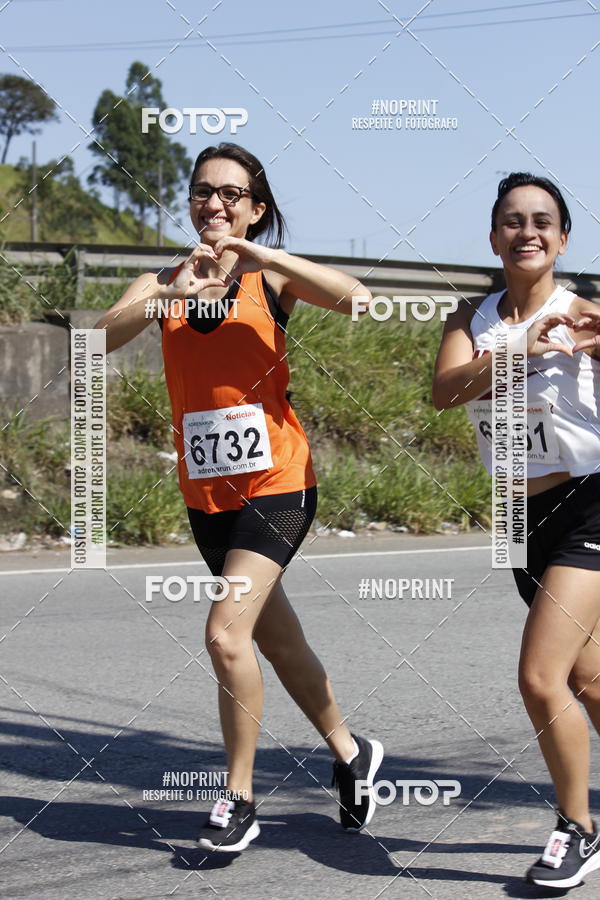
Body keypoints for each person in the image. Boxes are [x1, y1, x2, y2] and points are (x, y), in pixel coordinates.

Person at [95, 142, 383, 852]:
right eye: (202, 192)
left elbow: (361, 302)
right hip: (208, 496)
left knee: (225, 634)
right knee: (275, 639)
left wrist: (269, 260)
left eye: (231, 195)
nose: (214, 204)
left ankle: (238, 798)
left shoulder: (269, 282)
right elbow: (92, 343)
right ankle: (351, 753)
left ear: (255, 211)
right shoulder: (160, 280)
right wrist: (169, 295)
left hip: (279, 482)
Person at [432, 172, 600, 889]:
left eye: (542, 221)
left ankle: (577, 828)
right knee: (589, 678)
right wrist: (523, 349)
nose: (527, 231)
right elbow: (445, 392)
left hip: (589, 502)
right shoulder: (471, 316)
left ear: (562, 238)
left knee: (541, 677)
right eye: (512, 220)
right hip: (514, 515)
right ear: (494, 236)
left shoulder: (588, 312)